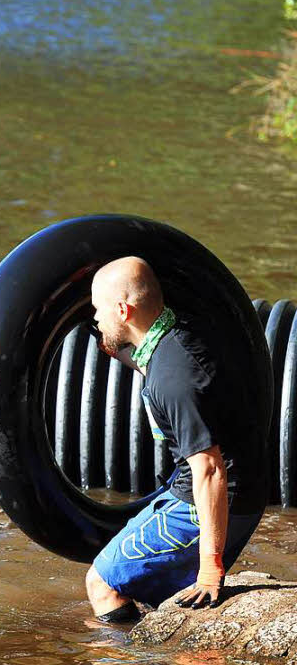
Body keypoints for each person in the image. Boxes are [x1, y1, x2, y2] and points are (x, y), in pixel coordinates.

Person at [84, 257, 266, 622]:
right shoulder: (173, 337)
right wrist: (108, 342)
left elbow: (211, 470)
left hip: (215, 497)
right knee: (134, 567)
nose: (95, 320)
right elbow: (147, 362)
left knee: (101, 583)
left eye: (97, 311)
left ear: (123, 309)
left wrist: (210, 569)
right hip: (216, 488)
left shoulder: (175, 378)